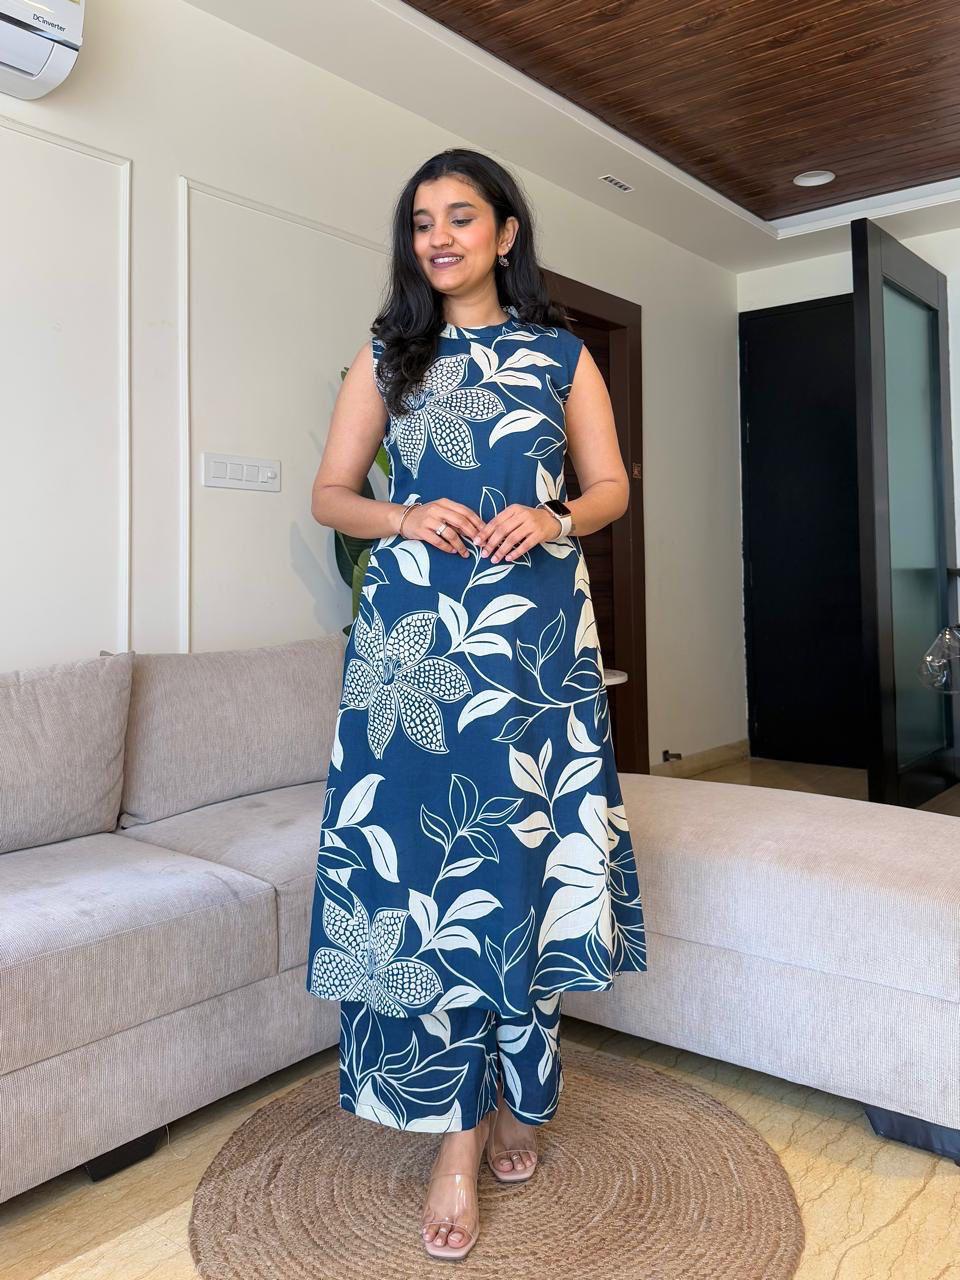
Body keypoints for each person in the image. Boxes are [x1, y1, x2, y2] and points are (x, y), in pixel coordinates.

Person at [305, 147, 647, 1262]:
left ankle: (517, 1093)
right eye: (421, 221)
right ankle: (456, 1137)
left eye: (461, 217)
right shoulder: (387, 355)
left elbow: (611, 486)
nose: (439, 237)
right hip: (413, 654)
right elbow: (332, 494)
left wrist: (554, 517)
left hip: (533, 646)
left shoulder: (561, 355)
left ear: (506, 234)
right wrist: (404, 518)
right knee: (427, 880)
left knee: (518, 864)